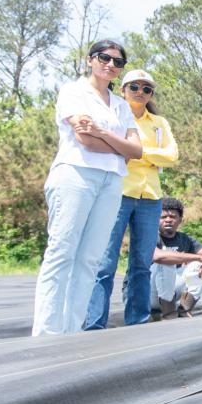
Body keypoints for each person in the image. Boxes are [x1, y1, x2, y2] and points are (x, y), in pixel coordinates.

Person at [32, 38, 142, 338]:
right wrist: (118, 145)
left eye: (118, 62)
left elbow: (136, 151)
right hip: (76, 174)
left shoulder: (121, 105)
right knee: (62, 252)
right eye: (104, 58)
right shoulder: (73, 92)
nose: (110, 65)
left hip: (111, 181)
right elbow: (85, 141)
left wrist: (102, 132)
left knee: (90, 258)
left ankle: (72, 330)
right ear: (90, 59)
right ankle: (46, 332)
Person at [86, 69, 178, 330]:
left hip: (150, 196)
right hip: (118, 191)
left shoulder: (159, 123)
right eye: (134, 87)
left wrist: (134, 151)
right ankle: (94, 324)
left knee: (141, 264)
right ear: (122, 90)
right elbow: (106, 148)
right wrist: (149, 155)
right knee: (105, 262)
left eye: (146, 89)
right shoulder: (114, 115)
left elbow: (171, 156)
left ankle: (137, 323)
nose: (140, 92)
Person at [150, 197, 202, 318]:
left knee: (199, 265)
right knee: (166, 262)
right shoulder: (150, 236)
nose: (168, 220)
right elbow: (158, 257)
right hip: (147, 294)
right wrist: (199, 258)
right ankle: (169, 313)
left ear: (180, 220)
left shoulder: (184, 239)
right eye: (163, 217)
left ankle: (184, 309)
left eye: (173, 217)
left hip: (172, 293)